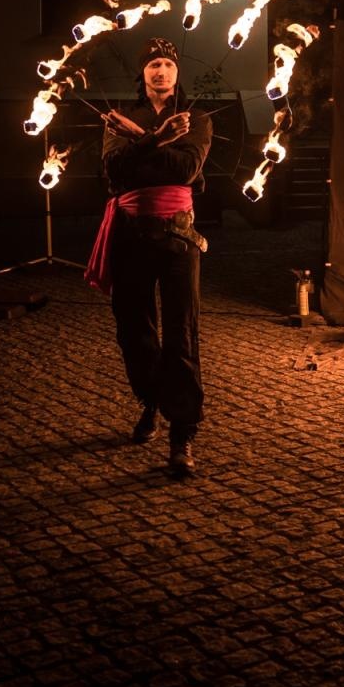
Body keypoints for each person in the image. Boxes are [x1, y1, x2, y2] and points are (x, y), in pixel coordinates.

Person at [85, 37, 213, 476]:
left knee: (181, 334)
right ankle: (150, 401)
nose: (161, 71)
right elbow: (114, 171)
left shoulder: (195, 119)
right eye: (153, 65)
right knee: (133, 331)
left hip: (178, 238)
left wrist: (139, 143)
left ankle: (182, 433)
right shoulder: (120, 118)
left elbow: (185, 170)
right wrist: (155, 138)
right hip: (129, 236)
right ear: (143, 75)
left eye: (167, 64)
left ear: (177, 72)